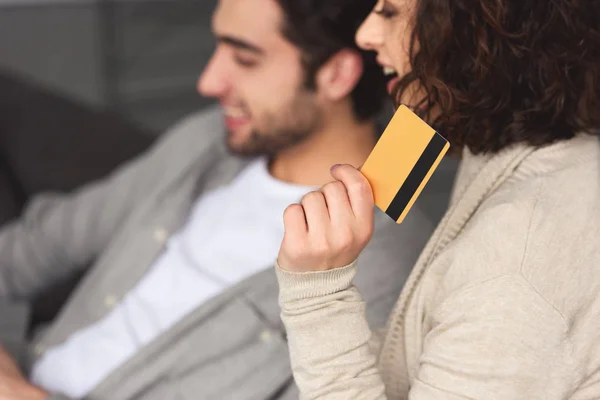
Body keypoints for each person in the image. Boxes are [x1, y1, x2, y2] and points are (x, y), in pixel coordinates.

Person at [0, 0, 458, 399]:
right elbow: (31, 248)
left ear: (336, 74)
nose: (208, 81)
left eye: (245, 58)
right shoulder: (206, 142)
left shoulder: (388, 264)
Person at [275, 0, 600, 399]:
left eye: (390, 12)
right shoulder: (518, 147)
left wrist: (317, 297)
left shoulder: (515, 263)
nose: (365, 35)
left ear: (477, 29)